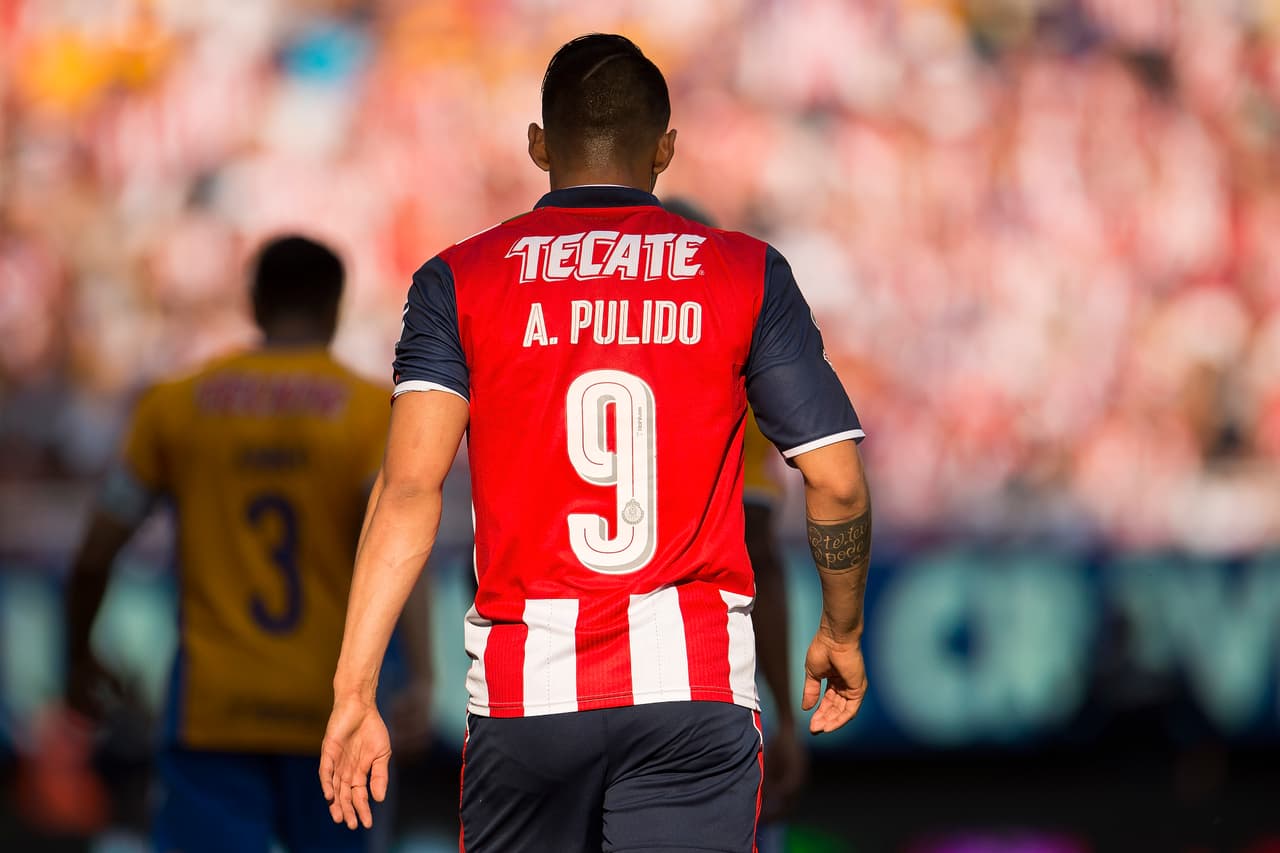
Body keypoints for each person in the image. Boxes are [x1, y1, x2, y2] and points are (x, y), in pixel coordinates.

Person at [320, 33, 872, 852]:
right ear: (665, 148)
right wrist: (841, 629)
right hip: (692, 689)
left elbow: (408, 490)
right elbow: (837, 482)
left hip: (525, 694)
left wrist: (354, 686)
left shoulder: (459, 277)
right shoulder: (745, 271)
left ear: (539, 145)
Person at [64, 235, 432, 853]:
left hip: (213, 709)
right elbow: (399, 542)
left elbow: (98, 548)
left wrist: (77, 655)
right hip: (332, 708)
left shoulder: (175, 405)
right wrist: (421, 674)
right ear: (335, 308)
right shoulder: (372, 413)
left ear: (254, 303)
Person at [662, 196, 809, 824]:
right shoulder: (736, 381)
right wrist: (784, 717)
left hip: (567, 688)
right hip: (699, 689)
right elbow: (760, 556)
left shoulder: (560, 364)